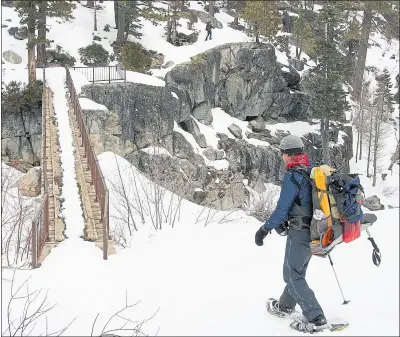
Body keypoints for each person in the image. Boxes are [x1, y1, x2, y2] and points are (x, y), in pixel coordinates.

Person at [254, 135, 327, 328]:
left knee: (292, 276)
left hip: (301, 232)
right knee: (296, 271)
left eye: (282, 154)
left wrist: (264, 229)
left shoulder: (293, 175)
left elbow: (282, 209)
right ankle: (285, 306)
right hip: (316, 230)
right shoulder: (311, 172)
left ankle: (316, 318)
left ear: (287, 155)